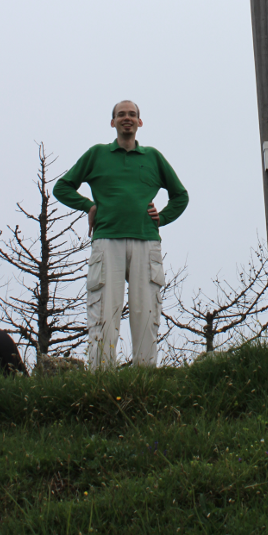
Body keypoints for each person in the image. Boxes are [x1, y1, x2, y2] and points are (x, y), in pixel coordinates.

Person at [53, 100, 188, 367]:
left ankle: (145, 376)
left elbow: (180, 195)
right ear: (113, 122)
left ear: (139, 122)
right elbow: (62, 187)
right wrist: (88, 205)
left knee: (146, 311)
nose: (127, 118)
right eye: (121, 115)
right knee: (103, 310)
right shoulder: (97, 154)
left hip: (146, 241)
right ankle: (101, 377)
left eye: (132, 115)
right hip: (106, 240)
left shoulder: (153, 157)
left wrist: (161, 218)